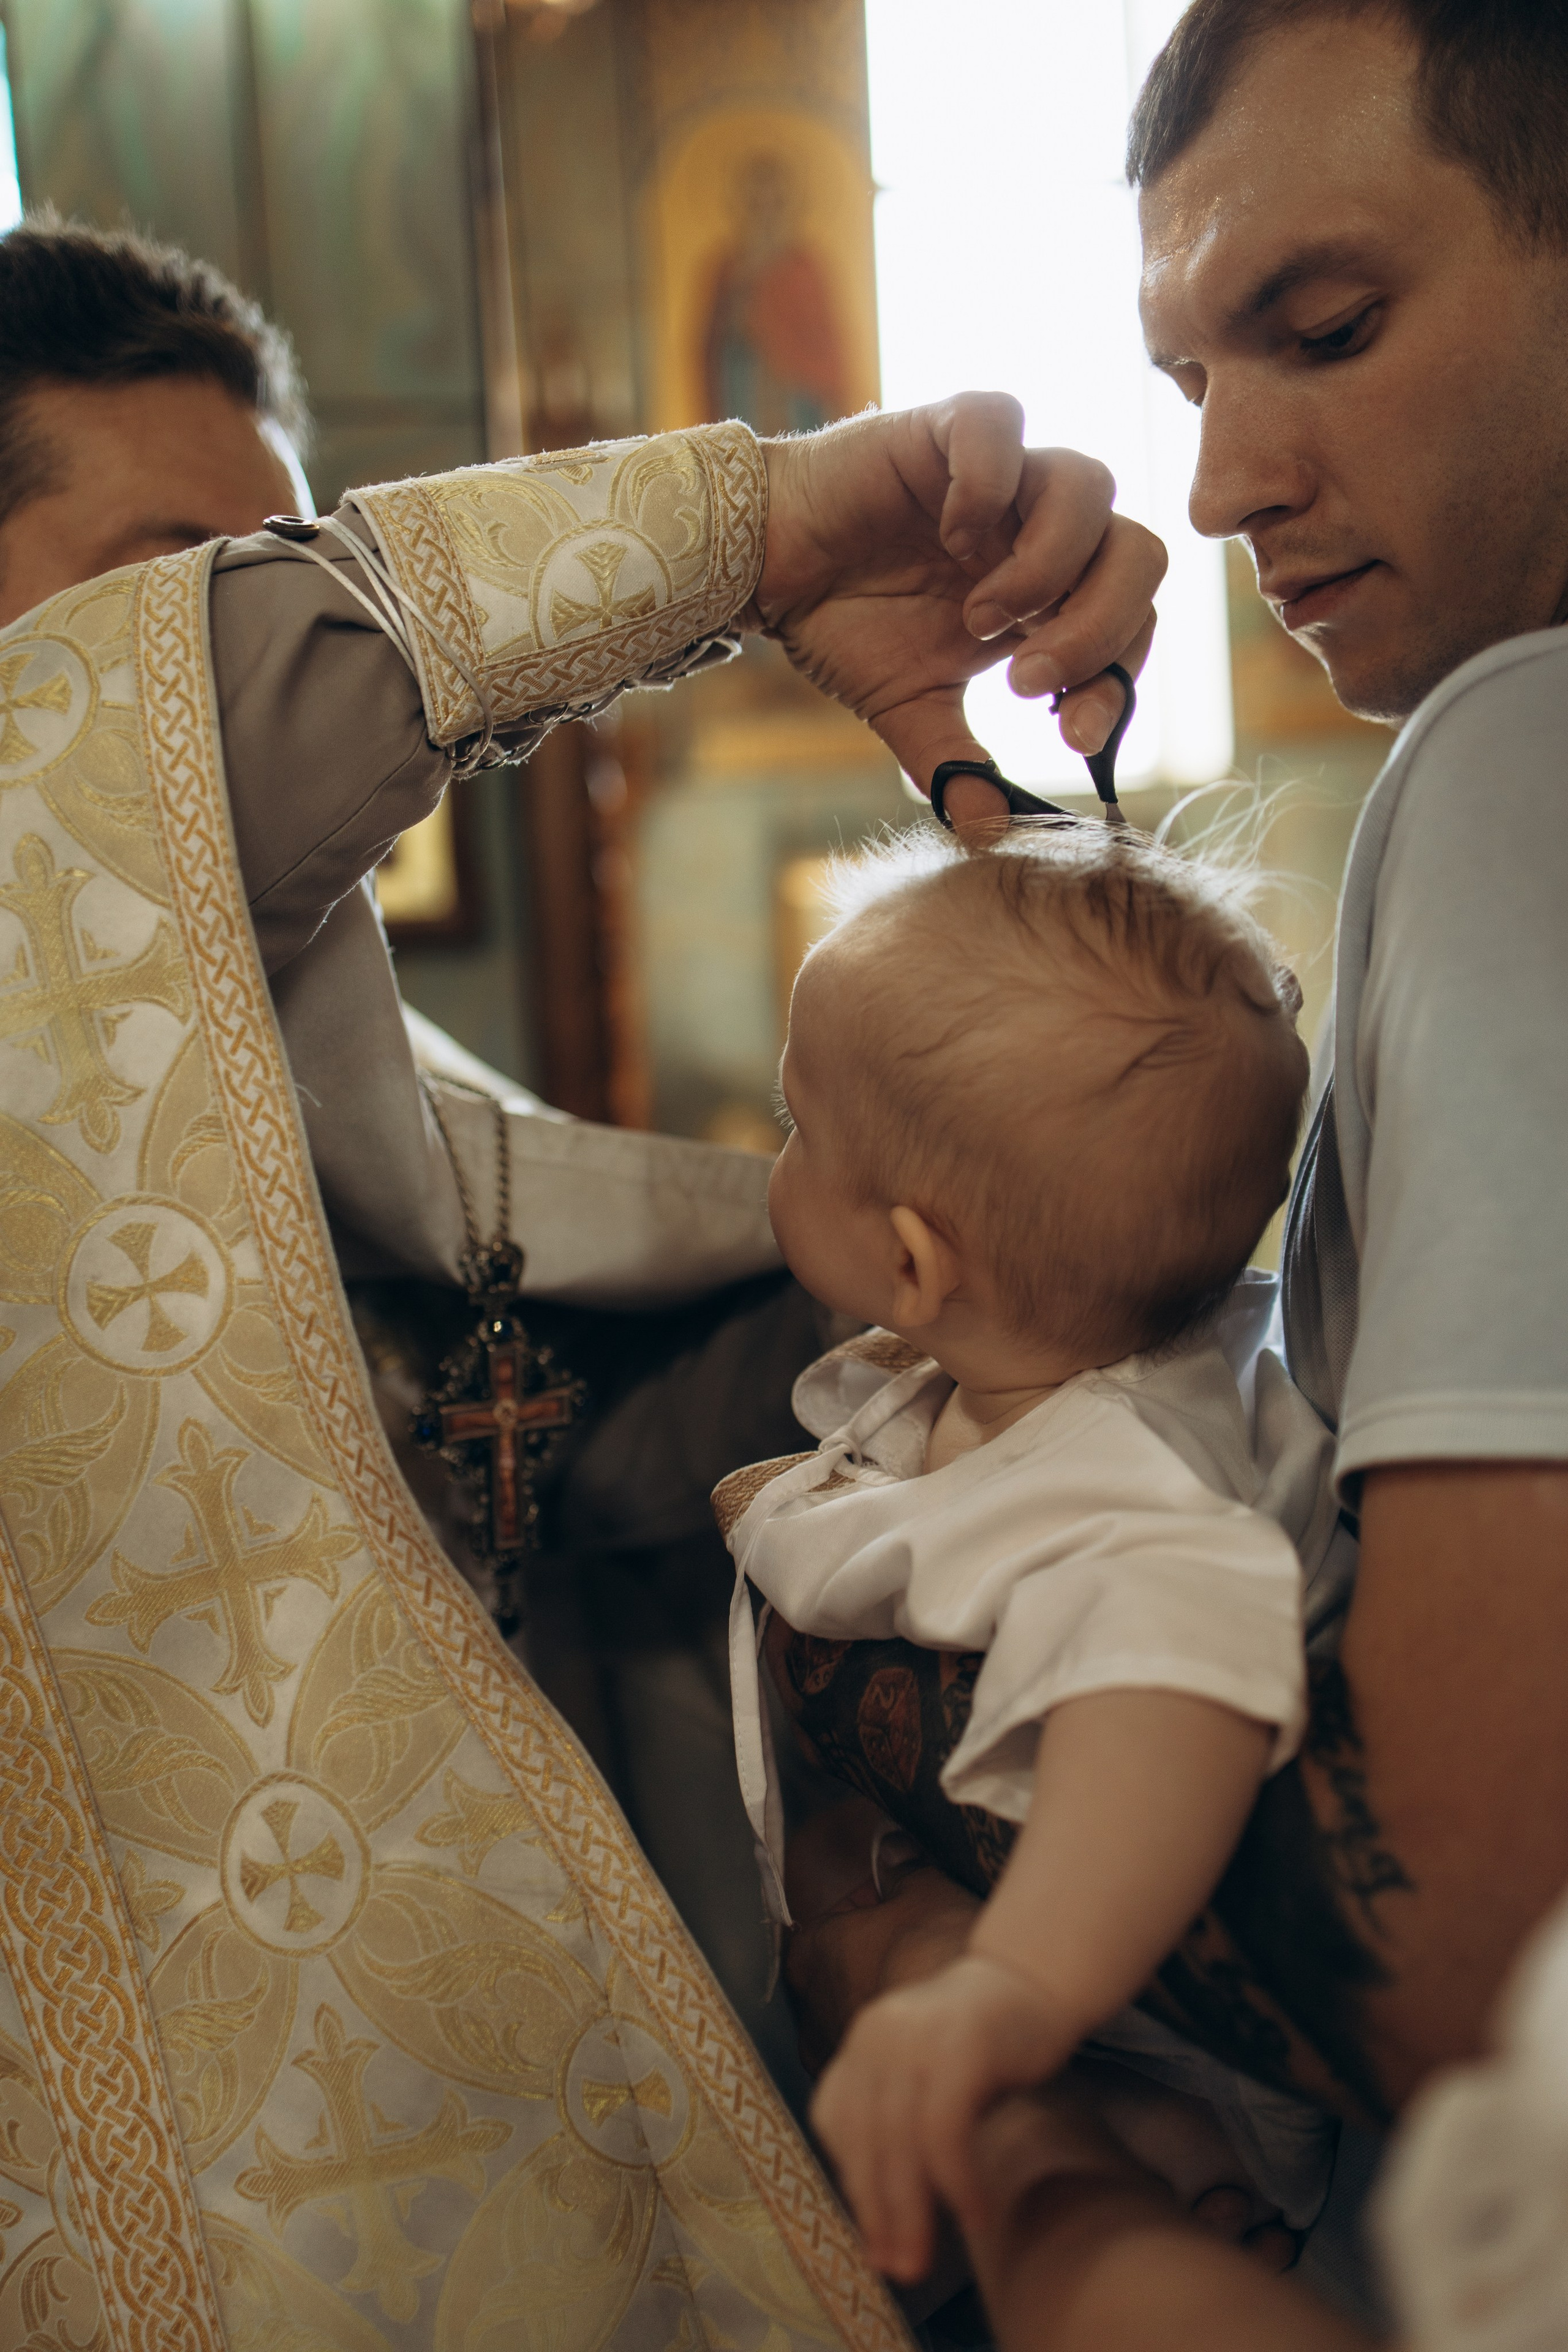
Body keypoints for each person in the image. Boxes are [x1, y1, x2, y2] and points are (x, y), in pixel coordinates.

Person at [0, 208, 1166, 2335]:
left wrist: (1026, 1212)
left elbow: (595, 1426)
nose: (217, 660)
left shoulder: (359, 1092)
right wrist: (761, 533)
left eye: (268, 580)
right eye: (163, 602)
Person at [777, 0, 1568, 2325]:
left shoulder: (1522, 742)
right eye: (1195, 383)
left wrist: (932, 1954)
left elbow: (1466, 1940)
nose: (1215, 490)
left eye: (1322, 329)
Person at [715, 820, 1349, 2269]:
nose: (779, 1144)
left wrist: (1010, 1989)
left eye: (794, 1121)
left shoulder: (1120, 1487)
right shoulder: (1055, 1364)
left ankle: (1188, 2183)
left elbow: (1175, 1671)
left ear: (916, 1263)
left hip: (1142, 2039)